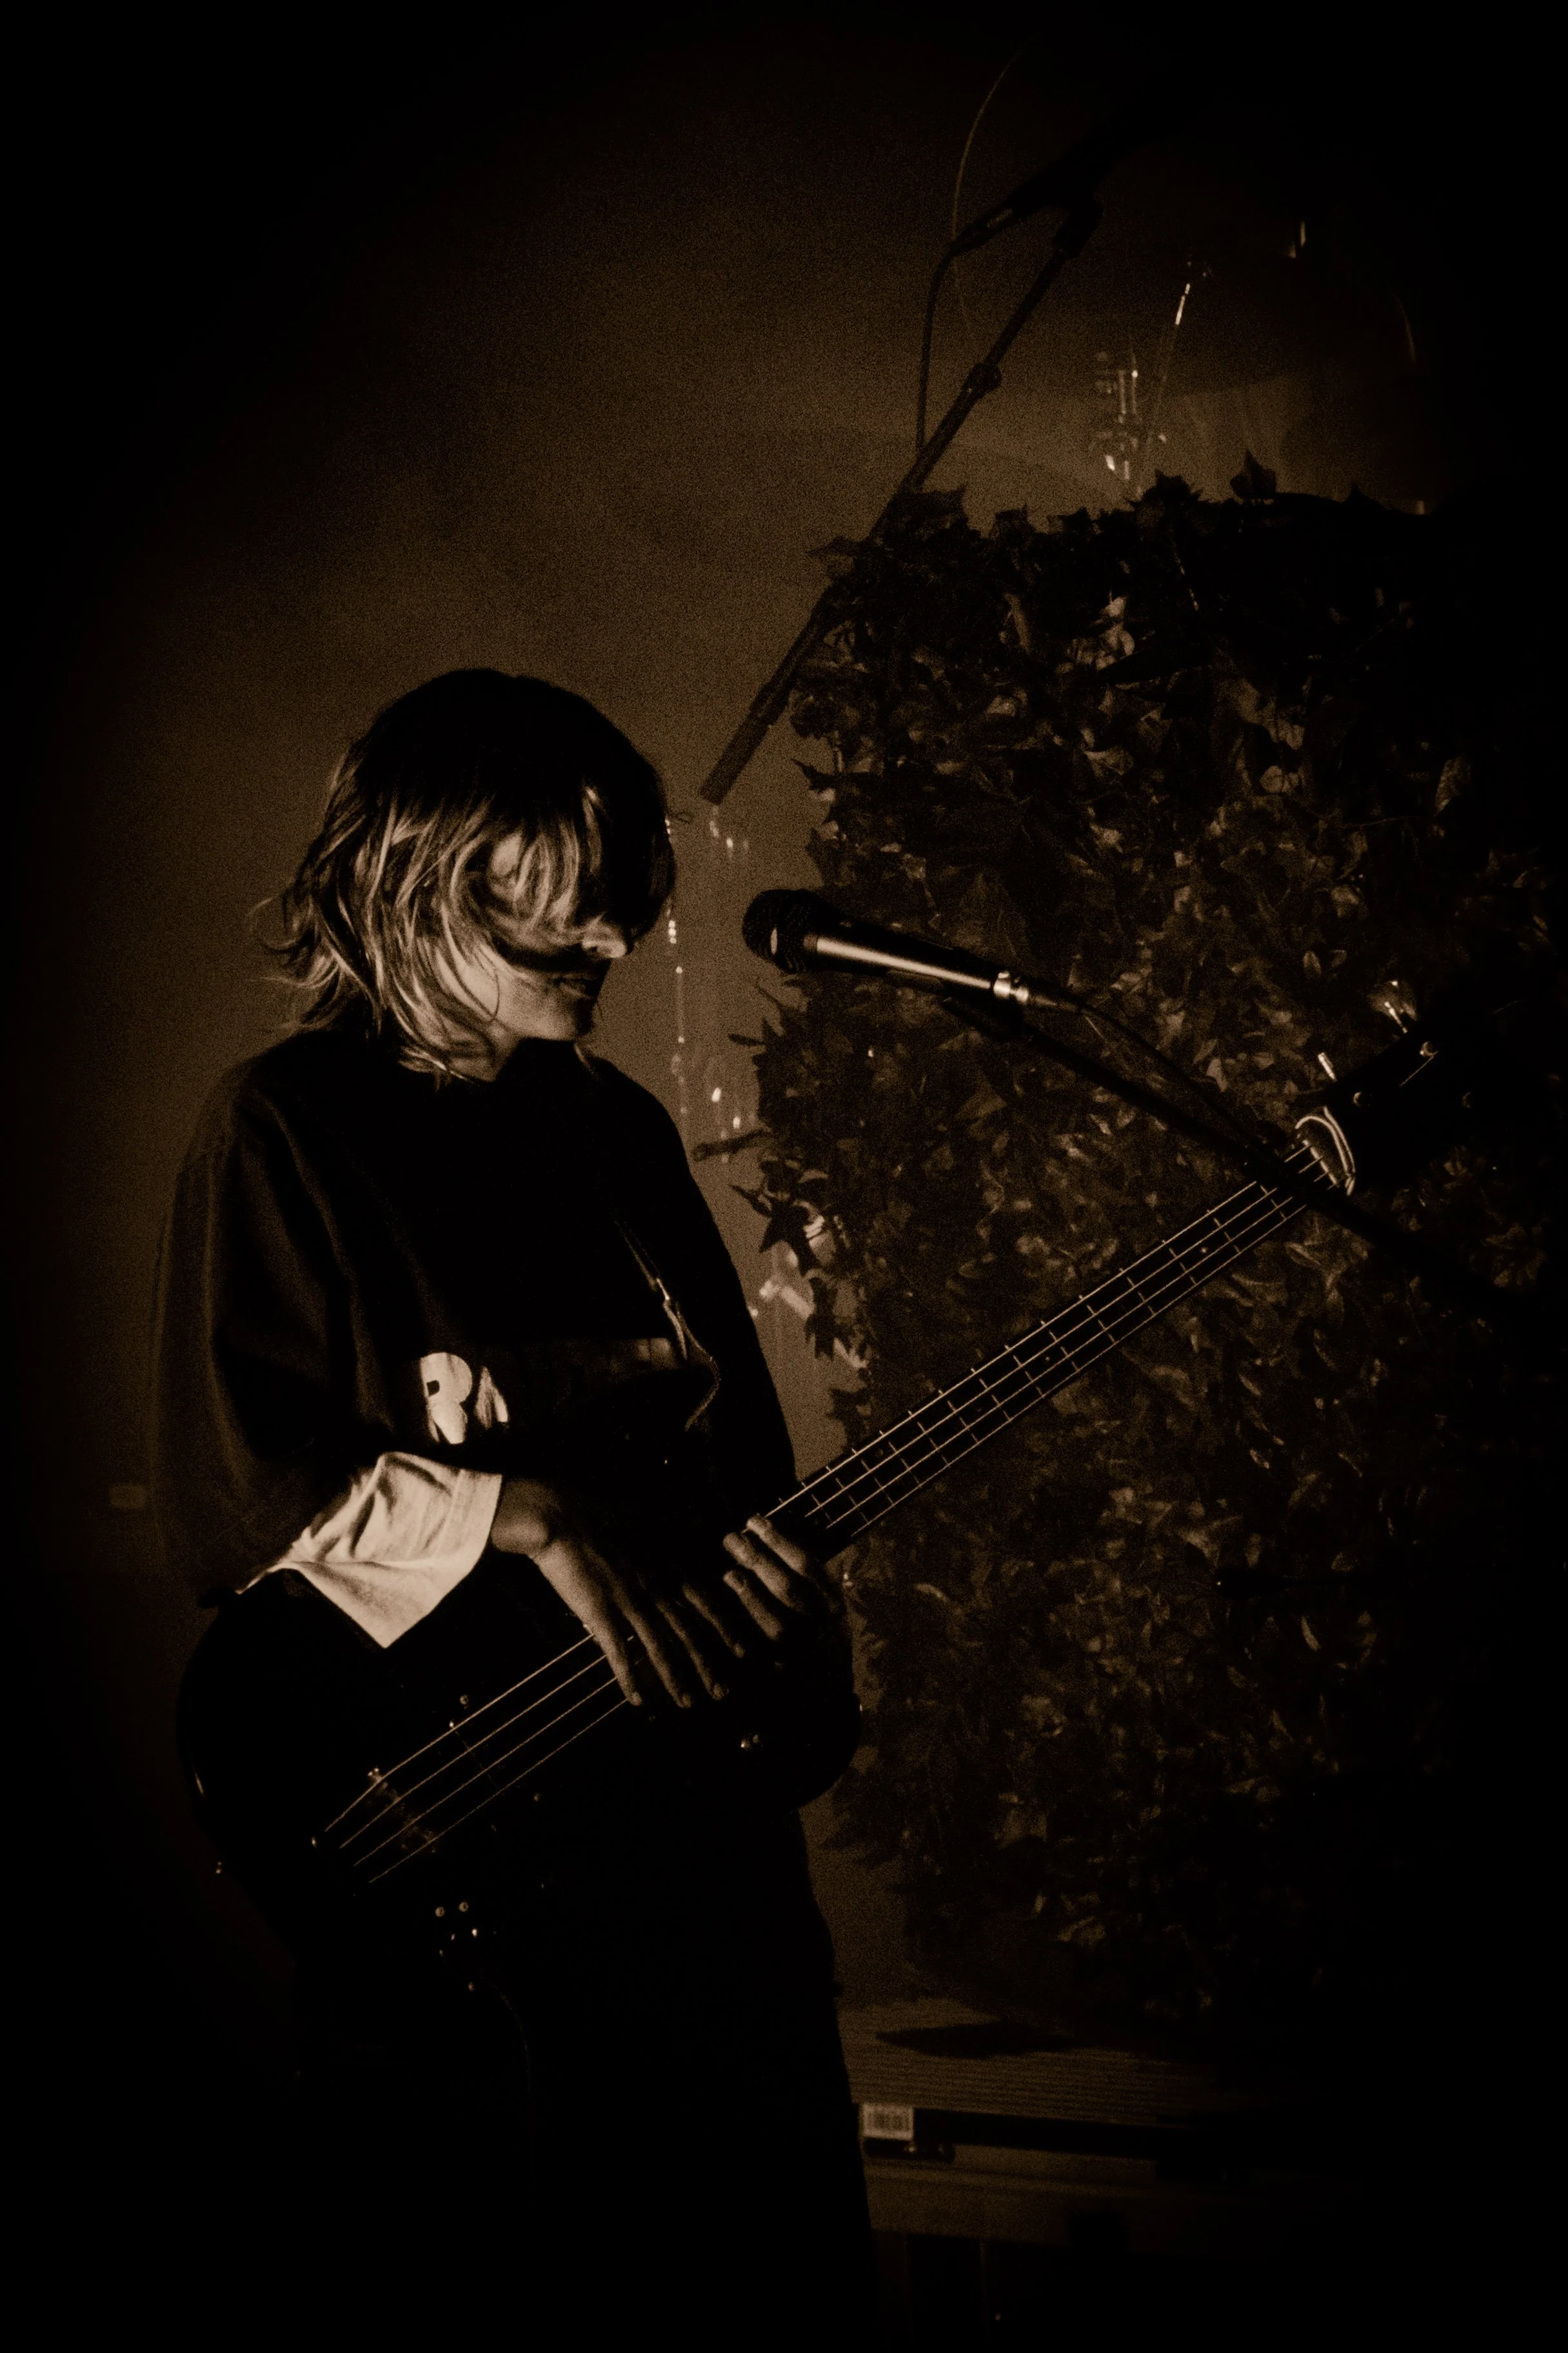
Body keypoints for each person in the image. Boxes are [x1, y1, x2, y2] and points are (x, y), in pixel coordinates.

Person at [154, 670, 873, 2331]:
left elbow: (733, 1460)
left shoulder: (617, 1133)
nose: (613, 945)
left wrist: (780, 1612)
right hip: (479, 1921)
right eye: (565, 915)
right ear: (420, 883)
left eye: (625, 905)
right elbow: (236, 1490)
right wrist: (530, 1515)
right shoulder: (287, 1127)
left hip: (703, 1871)